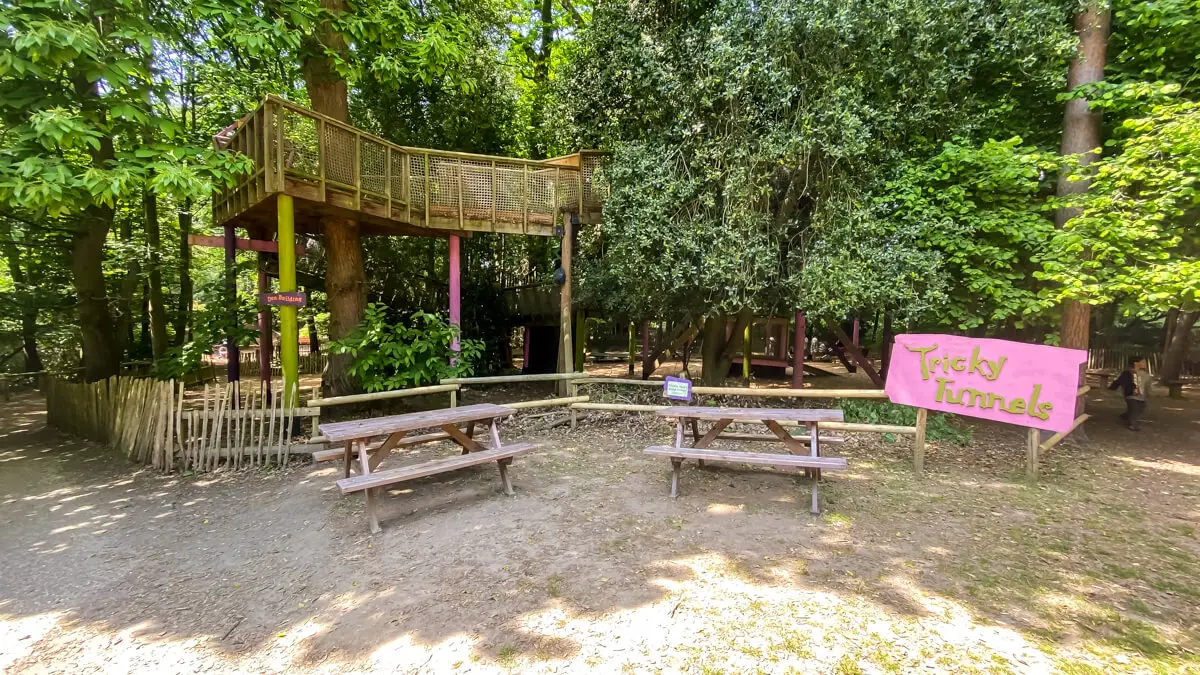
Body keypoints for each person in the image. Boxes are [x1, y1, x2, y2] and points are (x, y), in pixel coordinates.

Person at [1108, 355, 1151, 431]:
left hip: (1141, 396)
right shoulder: (1127, 372)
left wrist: (1148, 394)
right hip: (1131, 395)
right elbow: (1119, 381)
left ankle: (1126, 415)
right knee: (1135, 409)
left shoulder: (1145, 374)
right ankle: (1133, 425)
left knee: (1141, 407)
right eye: (1143, 361)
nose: (1145, 363)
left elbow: (1147, 385)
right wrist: (1113, 387)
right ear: (1136, 363)